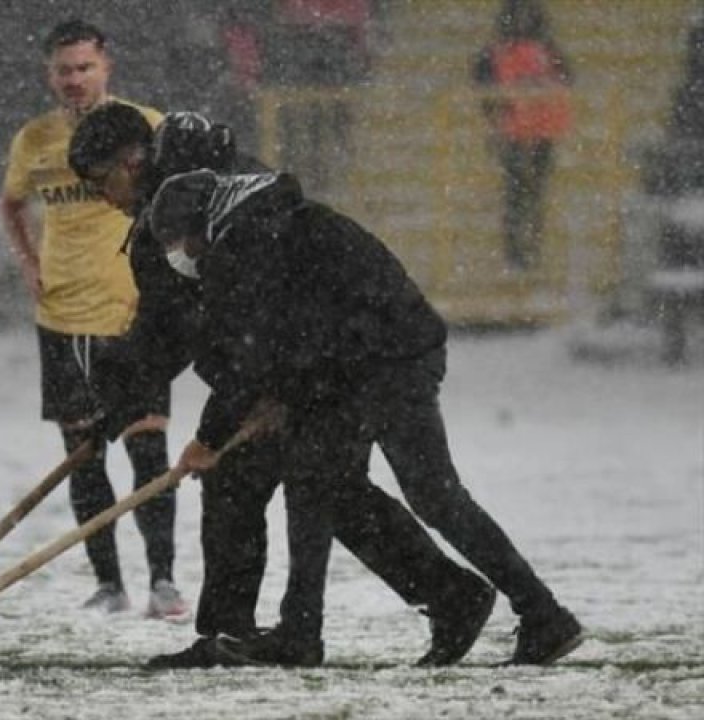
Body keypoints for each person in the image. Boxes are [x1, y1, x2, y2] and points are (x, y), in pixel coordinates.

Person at [70, 103, 494, 669]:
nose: (104, 197)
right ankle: (442, 596)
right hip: (276, 371)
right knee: (301, 490)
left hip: (305, 368)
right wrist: (115, 409)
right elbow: (169, 333)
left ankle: (438, 600)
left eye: (103, 181)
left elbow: (212, 323)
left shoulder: (191, 203)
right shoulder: (180, 202)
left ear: (132, 159)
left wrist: (240, 408)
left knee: (304, 488)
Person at [148, 167, 585, 665]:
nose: (184, 256)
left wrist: (208, 440)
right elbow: (291, 333)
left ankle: (301, 636)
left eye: (184, 242)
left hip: (371, 365)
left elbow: (257, 351)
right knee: (427, 495)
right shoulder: (277, 220)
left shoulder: (245, 243)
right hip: (390, 353)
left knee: (319, 485)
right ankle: (541, 614)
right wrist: (273, 394)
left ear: (205, 225)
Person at [0, 20, 187, 619]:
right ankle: (109, 583)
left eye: (85, 68)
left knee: (148, 446)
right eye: (64, 70)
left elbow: (179, 196)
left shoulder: (145, 126)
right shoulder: (34, 140)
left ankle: (164, 581)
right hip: (64, 316)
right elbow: (10, 204)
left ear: (107, 67)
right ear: (48, 75)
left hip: (134, 311)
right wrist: (29, 263)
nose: (75, 80)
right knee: (82, 454)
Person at [473, 0, 573, 271]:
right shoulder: (506, 52)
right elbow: (484, 86)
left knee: (529, 192)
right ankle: (518, 252)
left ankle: (526, 251)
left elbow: (565, 79)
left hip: (539, 127)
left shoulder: (542, 50)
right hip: (518, 129)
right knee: (518, 193)